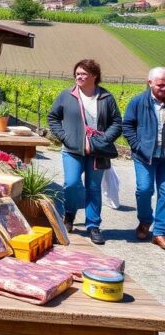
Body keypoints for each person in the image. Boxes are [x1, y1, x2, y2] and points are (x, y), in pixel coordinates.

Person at [47, 59, 122, 246]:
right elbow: (53, 117)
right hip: (72, 149)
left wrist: (103, 140)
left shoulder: (106, 97)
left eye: (83, 74)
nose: (79, 77)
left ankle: (93, 226)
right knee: (71, 184)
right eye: (77, 73)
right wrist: (65, 137)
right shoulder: (67, 95)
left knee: (93, 188)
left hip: (98, 151)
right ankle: (70, 214)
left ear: (94, 76)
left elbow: (116, 123)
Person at [121, 67, 165, 249]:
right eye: (160, 85)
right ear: (150, 83)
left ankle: (160, 232)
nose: (164, 88)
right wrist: (137, 146)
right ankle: (145, 221)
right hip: (144, 156)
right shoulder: (139, 102)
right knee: (144, 190)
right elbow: (127, 125)